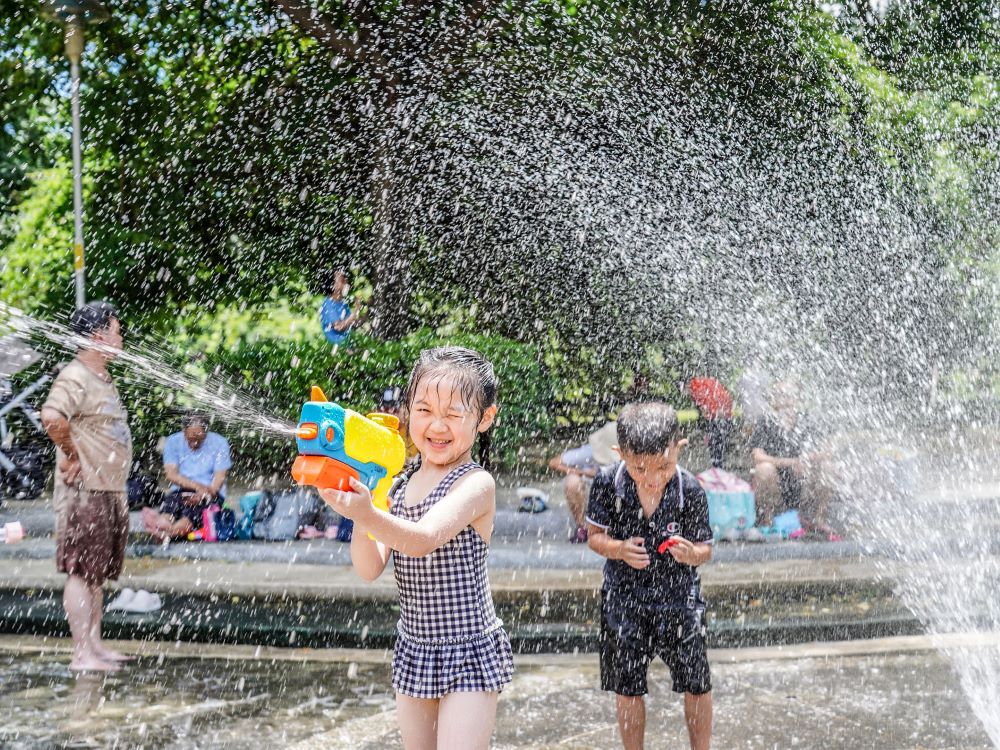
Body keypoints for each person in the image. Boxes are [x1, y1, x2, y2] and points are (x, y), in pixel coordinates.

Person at [321, 346, 513, 749]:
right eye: (424, 410)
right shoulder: (398, 485)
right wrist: (359, 511)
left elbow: (423, 539)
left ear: (485, 419)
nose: (437, 425)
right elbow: (369, 567)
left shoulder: (475, 484)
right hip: (415, 647)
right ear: (407, 411)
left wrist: (369, 514)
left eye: (454, 414)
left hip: (468, 649)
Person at [586, 402, 714, 750]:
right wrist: (618, 549)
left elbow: (706, 548)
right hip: (624, 599)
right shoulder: (607, 484)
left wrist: (692, 554)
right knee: (627, 686)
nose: (654, 478)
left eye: (664, 465)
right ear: (620, 453)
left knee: (698, 683)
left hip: (680, 599)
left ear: (679, 448)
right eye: (640, 468)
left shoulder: (690, 489)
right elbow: (594, 537)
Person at [40, 301, 133, 672]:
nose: (120, 335)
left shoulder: (101, 377)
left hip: (109, 489)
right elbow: (51, 417)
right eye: (116, 329)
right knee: (81, 571)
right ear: (98, 336)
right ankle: (82, 653)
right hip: (84, 491)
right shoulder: (75, 376)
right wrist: (71, 455)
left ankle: (95, 645)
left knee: (96, 572)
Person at [749, 381, 841, 541]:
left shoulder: (808, 421)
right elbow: (757, 456)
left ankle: (819, 518)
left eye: (789, 396)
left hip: (804, 482)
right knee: (763, 468)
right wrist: (792, 462)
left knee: (829, 467)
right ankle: (768, 519)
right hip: (776, 482)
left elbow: (828, 452)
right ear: (773, 401)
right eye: (780, 396)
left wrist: (806, 461)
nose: (784, 401)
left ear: (797, 399)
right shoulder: (765, 421)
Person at [141, 411, 231, 541]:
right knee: (171, 507)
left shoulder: (220, 443)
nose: (194, 443)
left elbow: (219, 479)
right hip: (181, 490)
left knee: (190, 514)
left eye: (198, 439)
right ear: (184, 431)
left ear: (206, 432)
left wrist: (204, 494)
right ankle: (162, 523)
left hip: (211, 493)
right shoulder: (173, 441)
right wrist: (196, 487)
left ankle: (167, 533)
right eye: (190, 438)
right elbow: (171, 474)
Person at [548, 422, 617, 544]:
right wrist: (582, 472)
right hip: (592, 488)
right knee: (572, 481)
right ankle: (583, 527)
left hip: (619, 491)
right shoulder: (590, 451)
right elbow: (554, 462)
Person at [688, 376, 734, 469]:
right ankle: (719, 466)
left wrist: (705, 416)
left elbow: (701, 404)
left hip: (715, 416)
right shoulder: (707, 382)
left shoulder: (695, 385)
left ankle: (717, 468)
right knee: (720, 443)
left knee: (714, 444)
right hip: (724, 414)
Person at [320, 270, 363, 347]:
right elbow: (339, 327)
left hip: (347, 346)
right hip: (335, 350)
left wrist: (363, 311)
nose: (346, 283)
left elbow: (352, 324)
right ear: (333, 286)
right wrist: (356, 309)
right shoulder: (328, 304)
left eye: (346, 280)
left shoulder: (343, 304)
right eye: (342, 281)